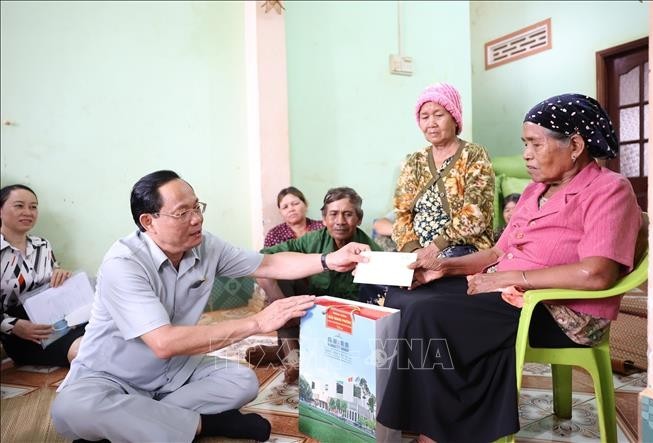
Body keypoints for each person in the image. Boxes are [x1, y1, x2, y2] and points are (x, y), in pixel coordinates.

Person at [376, 94, 642, 442]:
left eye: (535, 143)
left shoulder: (609, 190)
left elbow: (597, 273)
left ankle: (442, 429)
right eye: (524, 144)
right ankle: (425, 411)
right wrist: (446, 267)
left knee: (432, 314)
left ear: (575, 145)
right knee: (407, 298)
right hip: (512, 292)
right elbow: (495, 253)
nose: (526, 154)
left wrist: (511, 278)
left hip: (561, 309)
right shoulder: (536, 191)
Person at [50, 171, 370, 443]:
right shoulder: (124, 263)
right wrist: (257, 323)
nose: (197, 218)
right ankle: (205, 425)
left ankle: (140, 421)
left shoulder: (206, 245)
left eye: (197, 207)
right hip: (111, 376)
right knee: (72, 409)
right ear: (149, 221)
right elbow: (163, 343)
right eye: (183, 212)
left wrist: (329, 260)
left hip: (174, 374)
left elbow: (269, 263)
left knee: (242, 382)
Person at [245, 187, 382, 383]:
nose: (340, 221)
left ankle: (286, 351)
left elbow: (375, 305)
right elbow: (265, 255)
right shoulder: (314, 240)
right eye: (333, 214)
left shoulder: (370, 251)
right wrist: (283, 305)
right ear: (324, 219)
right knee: (280, 273)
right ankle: (293, 358)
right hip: (312, 314)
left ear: (359, 219)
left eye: (348, 214)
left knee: (342, 361)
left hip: (345, 325)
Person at [392, 82, 495, 262]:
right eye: (424, 117)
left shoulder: (474, 154)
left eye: (438, 115)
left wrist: (434, 248)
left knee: (429, 280)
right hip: (417, 251)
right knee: (374, 279)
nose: (431, 123)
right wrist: (413, 249)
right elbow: (402, 214)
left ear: (454, 118)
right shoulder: (414, 161)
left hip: (462, 248)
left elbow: (476, 214)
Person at [1, 184, 85, 367]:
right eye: (19, 206)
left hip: (59, 322)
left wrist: (61, 274)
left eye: (33, 207)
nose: (28, 212)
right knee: (84, 350)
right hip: (23, 334)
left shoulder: (42, 245)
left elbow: (52, 278)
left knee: (108, 333)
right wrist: (14, 326)